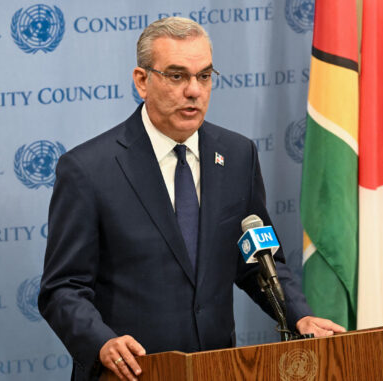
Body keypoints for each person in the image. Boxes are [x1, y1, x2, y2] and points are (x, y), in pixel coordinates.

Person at [38, 17, 344, 381]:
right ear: (142, 81)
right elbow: (62, 288)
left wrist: (297, 314)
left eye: (204, 76)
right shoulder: (88, 169)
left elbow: (258, 260)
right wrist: (102, 342)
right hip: (132, 373)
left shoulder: (237, 155)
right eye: (177, 76)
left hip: (217, 369)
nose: (194, 91)